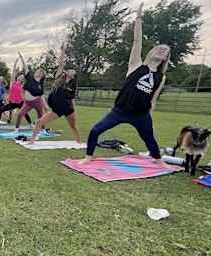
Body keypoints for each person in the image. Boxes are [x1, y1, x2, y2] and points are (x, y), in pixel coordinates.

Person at [78, 3, 172, 169]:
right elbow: (137, 41)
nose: (161, 50)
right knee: (95, 130)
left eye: (164, 50)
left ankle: (159, 161)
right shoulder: (136, 65)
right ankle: (87, 157)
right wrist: (138, 18)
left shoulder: (161, 77)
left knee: (149, 139)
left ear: (166, 57)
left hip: (141, 115)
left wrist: (150, 118)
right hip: (120, 111)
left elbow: (154, 99)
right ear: (152, 51)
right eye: (159, 48)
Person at [26, 44, 82, 144]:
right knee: (39, 122)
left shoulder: (72, 87)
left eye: (72, 71)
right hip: (57, 110)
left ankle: (79, 141)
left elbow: (72, 100)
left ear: (73, 77)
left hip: (68, 109)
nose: (69, 70)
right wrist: (63, 51)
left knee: (72, 125)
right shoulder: (58, 79)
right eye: (69, 70)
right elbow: (61, 65)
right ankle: (32, 141)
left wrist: (75, 111)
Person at [11, 52, 48, 133]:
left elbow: (41, 96)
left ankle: (43, 130)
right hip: (28, 102)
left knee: (40, 117)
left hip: (38, 102)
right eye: (37, 71)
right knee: (20, 114)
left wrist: (45, 106)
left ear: (42, 75)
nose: (37, 72)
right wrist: (21, 58)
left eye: (39, 72)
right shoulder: (30, 79)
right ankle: (16, 130)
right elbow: (25, 67)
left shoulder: (41, 85)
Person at [0, 57, 32, 128]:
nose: (19, 76)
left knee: (25, 113)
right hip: (12, 103)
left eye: (21, 76)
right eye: (19, 75)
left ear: (22, 79)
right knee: (0, 110)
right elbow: (13, 73)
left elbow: (26, 91)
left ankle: (30, 124)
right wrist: (15, 63)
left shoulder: (22, 85)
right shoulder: (12, 82)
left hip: (20, 102)